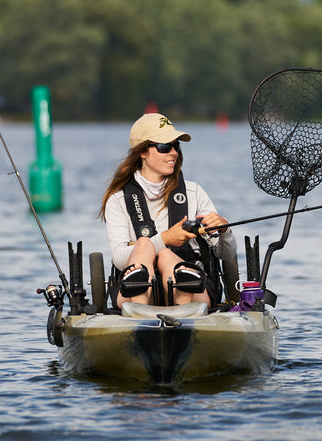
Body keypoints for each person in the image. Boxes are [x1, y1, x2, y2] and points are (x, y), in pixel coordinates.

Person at [100, 113, 236, 309]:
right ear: (142, 152)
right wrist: (165, 239)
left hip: (193, 291)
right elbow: (120, 259)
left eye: (176, 146)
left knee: (166, 257)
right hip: (138, 291)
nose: (173, 152)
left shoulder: (194, 192)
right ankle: (140, 306)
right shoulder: (118, 200)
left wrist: (224, 230)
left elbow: (226, 254)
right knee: (144, 245)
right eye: (164, 146)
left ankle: (182, 294)